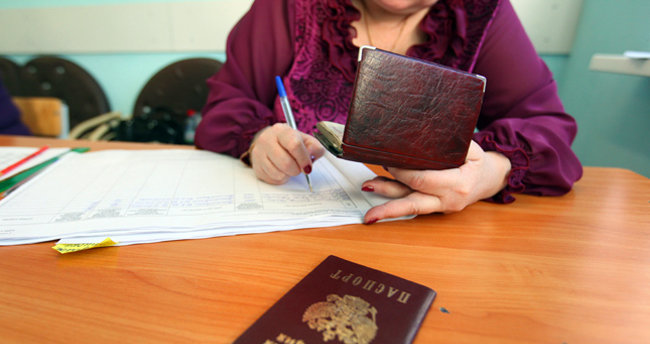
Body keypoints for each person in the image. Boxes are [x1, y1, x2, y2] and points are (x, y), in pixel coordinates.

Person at [195, 0, 583, 224]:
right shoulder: (289, 6)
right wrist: (258, 139)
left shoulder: (482, 13)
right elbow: (226, 103)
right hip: (289, 237)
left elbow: (547, 127)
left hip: (432, 243)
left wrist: (492, 173)